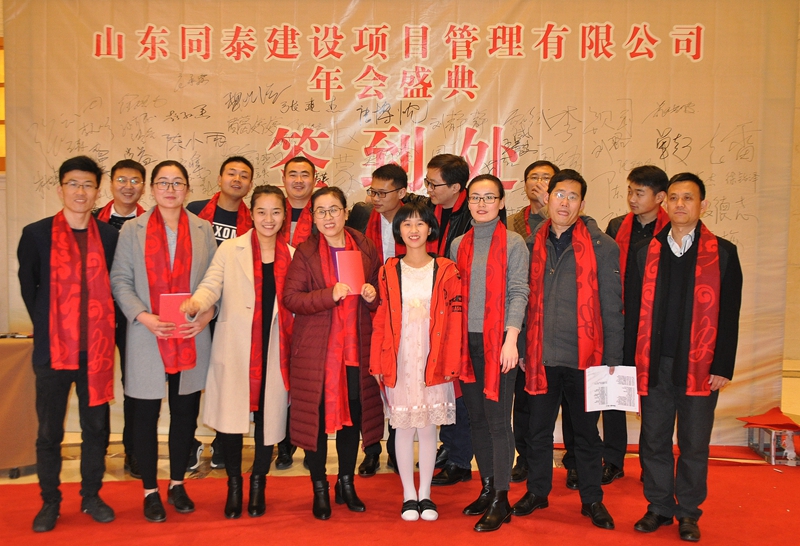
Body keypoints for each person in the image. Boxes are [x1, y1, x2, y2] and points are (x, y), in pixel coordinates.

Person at [625, 173, 742, 542]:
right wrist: (630, 364)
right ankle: (659, 506)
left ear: (702, 204)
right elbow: (632, 313)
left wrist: (722, 366)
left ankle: (689, 512)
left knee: (694, 443)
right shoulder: (645, 251)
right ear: (665, 201)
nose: (679, 204)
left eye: (688, 198)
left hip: (700, 366)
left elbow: (730, 314)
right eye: (673, 197)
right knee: (654, 439)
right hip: (654, 364)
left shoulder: (723, 253)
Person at [514, 169, 622, 531]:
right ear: (548, 198)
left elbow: (613, 308)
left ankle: (592, 499)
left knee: (586, 435)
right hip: (541, 356)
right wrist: (523, 346)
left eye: (573, 197)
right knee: (537, 432)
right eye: (559, 194)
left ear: (582, 204)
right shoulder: (530, 244)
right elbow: (522, 301)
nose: (564, 202)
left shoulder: (603, 247)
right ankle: (537, 491)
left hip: (586, 359)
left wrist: (612, 361)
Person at [110, 160, 217, 523]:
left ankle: (177, 483)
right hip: (147, 333)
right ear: (152, 188)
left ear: (187, 188)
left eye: (177, 183)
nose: (170, 190)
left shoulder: (202, 229)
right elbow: (120, 280)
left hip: (190, 332)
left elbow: (214, 280)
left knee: (185, 414)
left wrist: (206, 315)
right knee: (144, 415)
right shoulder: (132, 229)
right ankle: (149, 490)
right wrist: (144, 317)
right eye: (163, 183)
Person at [180, 185, 294, 519]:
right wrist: (196, 303)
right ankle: (234, 485)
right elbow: (210, 285)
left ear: (284, 215)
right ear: (251, 214)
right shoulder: (230, 249)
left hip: (275, 350)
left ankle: (258, 484)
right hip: (236, 349)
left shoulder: (292, 254)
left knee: (269, 422)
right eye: (261, 212)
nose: (268, 219)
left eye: (275, 212)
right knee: (230, 422)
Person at [18, 155, 119, 532]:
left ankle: (91, 495)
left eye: (88, 185)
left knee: (96, 429)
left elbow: (115, 287)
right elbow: (30, 289)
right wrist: (52, 328)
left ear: (97, 191)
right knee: (50, 431)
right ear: (61, 188)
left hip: (96, 351)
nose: (80, 191)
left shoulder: (109, 237)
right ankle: (50, 500)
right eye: (73, 183)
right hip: (53, 352)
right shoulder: (36, 234)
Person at [283, 186, 384, 520]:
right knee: (316, 421)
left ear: (345, 212)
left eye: (334, 209)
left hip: (357, 350)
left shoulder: (365, 246)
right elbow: (291, 298)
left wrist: (372, 294)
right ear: (313, 217)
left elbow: (381, 292)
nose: (328, 217)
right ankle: (319, 487)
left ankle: (346, 482)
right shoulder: (305, 251)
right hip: (318, 354)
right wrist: (328, 294)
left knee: (352, 419)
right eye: (321, 211)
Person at [370, 201, 462, 522]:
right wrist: (377, 361)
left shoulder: (446, 269)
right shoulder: (389, 269)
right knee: (404, 426)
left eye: (420, 223)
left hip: (433, 356)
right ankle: (408, 494)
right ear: (399, 230)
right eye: (406, 224)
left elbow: (455, 318)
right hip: (400, 358)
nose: (413, 230)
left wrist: (452, 360)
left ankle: (426, 494)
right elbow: (381, 318)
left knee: (427, 427)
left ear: (430, 229)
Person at [452, 175, 530, 532]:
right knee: (477, 420)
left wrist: (511, 339)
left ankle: (501, 497)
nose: (481, 204)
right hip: (465, 344)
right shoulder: (458, 244)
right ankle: (486, 487)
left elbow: (518, 292)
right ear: (467, 202)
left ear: (500, 202)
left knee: (498, 421)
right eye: (475, 198)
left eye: (489, 197)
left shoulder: (513, 243)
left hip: (499, 343)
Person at [590, 165, 669, 486]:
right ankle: (613, 459)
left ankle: (653, 463)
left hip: (654, 326)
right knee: (613, 394)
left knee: (655, 399)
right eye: (629, 191)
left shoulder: (670, 231)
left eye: (639, 193)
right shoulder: (616, 226)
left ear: (659, 197)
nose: (632, 199)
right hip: (620, 323)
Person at [347, 163, 423, 477]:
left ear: (401, 192)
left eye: (382, 193)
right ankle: (371, 450)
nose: (375, 199)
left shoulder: (415, 219)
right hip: (369, 310)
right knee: (369, 385)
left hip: (408, 313)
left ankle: (396, 447)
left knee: (400, 383)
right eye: (372, 192)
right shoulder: (362, 217)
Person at [185, 155, 255, 471]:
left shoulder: (254, 221)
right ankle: (187, 444)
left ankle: (224, 444)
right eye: (231, 173)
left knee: (231, 380)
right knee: (191, 380)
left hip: (233, 313)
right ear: (220, 178)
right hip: (197, 308)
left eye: (243, 175)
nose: (237, 179)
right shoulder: (195, 211)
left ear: (249, 184)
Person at [94, 159, 148, 480]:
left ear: (143, 186)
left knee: (135, 384)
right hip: (98, 315)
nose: (128, 186)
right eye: (122, 180)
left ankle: (135, 451)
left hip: (135, 314)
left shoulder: (150, 223)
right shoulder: (92, 221)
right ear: (111, 183)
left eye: (135, 181)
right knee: (95, 382)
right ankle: (96, 448)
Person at [425, 154, 476, 487]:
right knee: (442, 384)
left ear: (456, 187)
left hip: (461, 312)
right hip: (434, 311)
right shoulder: (432, 212)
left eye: (434, 184)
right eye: (427, 182)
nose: (429, 189)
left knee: (460, 388)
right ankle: (449, 446)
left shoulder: (472, 218)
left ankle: (460, 459)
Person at [506, 160, 558, 484]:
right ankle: (524, 458)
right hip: (522, 318)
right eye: (533, 177)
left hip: (555, 320)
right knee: (522, 399)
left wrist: (549, 209)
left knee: (560, 398)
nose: (538, 182)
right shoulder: (512, 221)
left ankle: (570, 461)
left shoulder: (566, 219)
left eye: (546, 178)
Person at [275, 155, 319, 469]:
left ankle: (308, 445)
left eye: (305, 174)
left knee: (306, 379)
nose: (299, 180)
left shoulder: (321, 214)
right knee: (277, 378)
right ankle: (282, 443)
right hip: (273, 308)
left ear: (314, 180)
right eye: (293, 174)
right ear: (284, 179)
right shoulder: (271, 211)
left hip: (309, 308)